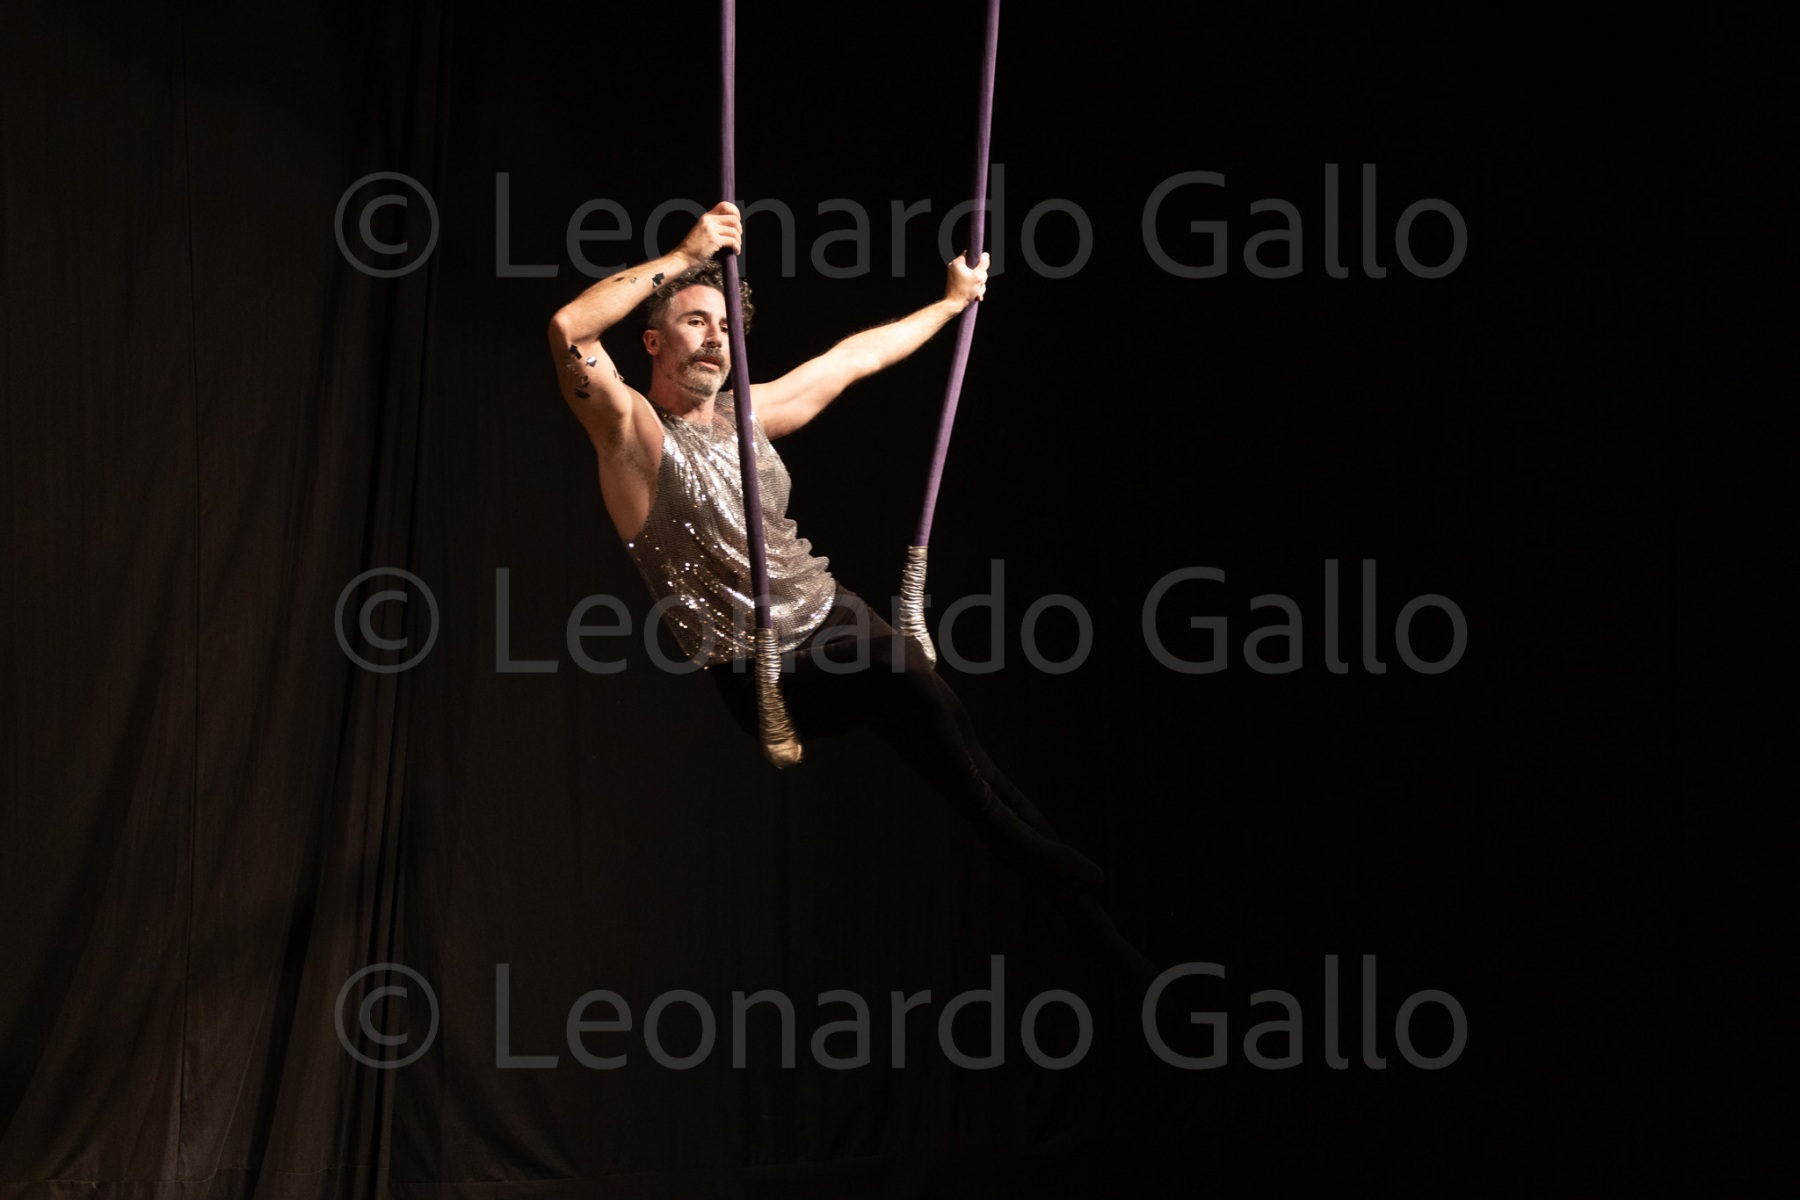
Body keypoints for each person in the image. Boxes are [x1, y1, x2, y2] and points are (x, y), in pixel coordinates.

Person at [547, 202, 1155, 988]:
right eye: (696, 322)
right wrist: (688, 252)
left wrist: (948, 304)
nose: (716, 338)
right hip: (766, 672)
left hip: (837, 617)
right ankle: (1041, 858)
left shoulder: (748, 414)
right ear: (654, 342)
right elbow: (569, 328)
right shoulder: (630, 434)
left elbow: (852, 359)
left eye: (726, 326)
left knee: (968, 755)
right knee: (904, 676)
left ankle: (1108, 946)